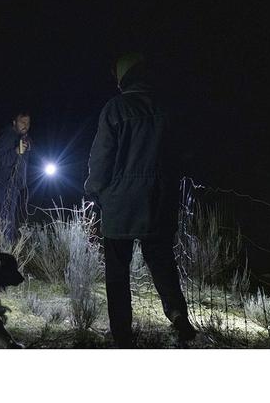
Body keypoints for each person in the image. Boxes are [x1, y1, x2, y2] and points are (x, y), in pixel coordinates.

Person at [84, 52, 197, 347]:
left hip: (120, 203)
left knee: (117, 271)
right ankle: (178, 316)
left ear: (124, 78)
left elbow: (101, 158)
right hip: (159, 201)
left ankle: (122, 332)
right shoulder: (165, 109)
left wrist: (94, 189)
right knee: (162, 262)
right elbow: (181, 155)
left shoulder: (115, 109)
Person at [0, 112, 32, 243]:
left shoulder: (23, 138)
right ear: (14, 122)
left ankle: (6, 252)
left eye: (28, 122)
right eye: (22, 122)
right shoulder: (8, 136)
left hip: (13, 185)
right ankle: (4, 254)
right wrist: (16, 152)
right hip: (3, 185)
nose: (25, 125)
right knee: (5, 221)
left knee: (9, 220)